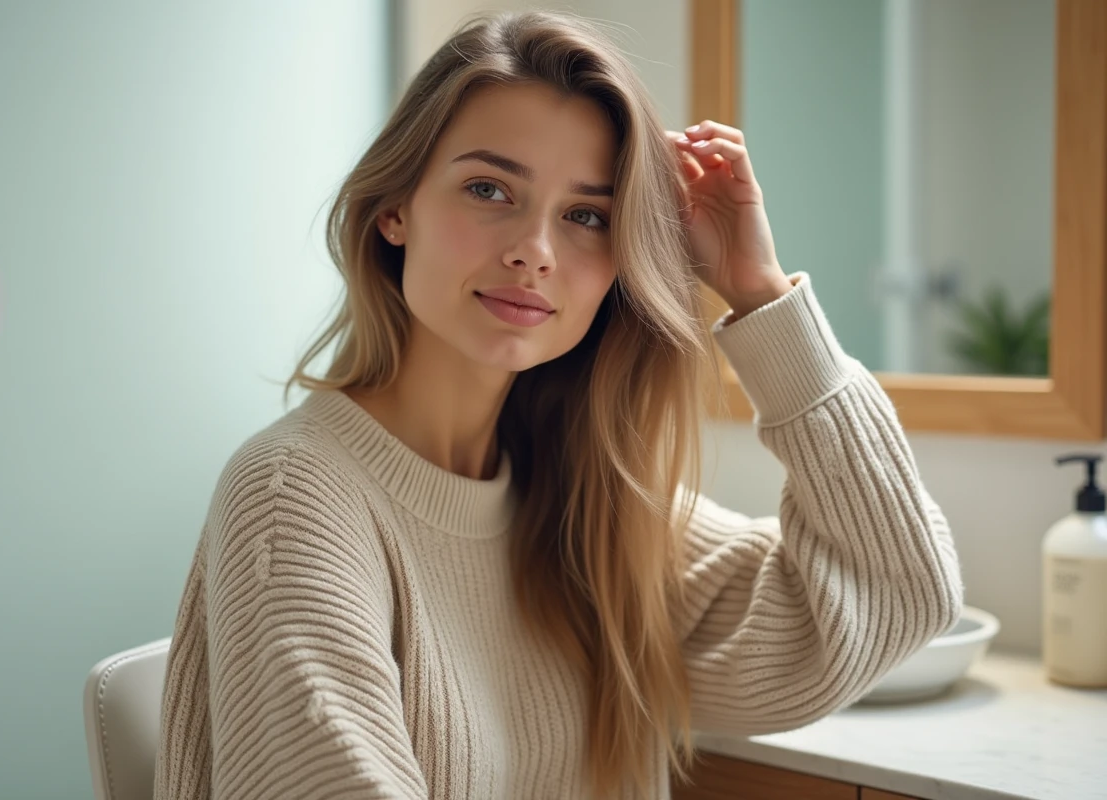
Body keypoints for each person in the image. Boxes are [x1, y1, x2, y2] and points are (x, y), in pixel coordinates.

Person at [153, 9, 963, 800]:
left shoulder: (581, 499)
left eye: (586, 216)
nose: (533, 252)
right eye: (488, 188)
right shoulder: (293, 499)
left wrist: (758, 294)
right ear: (395, 209)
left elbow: (899, 593)